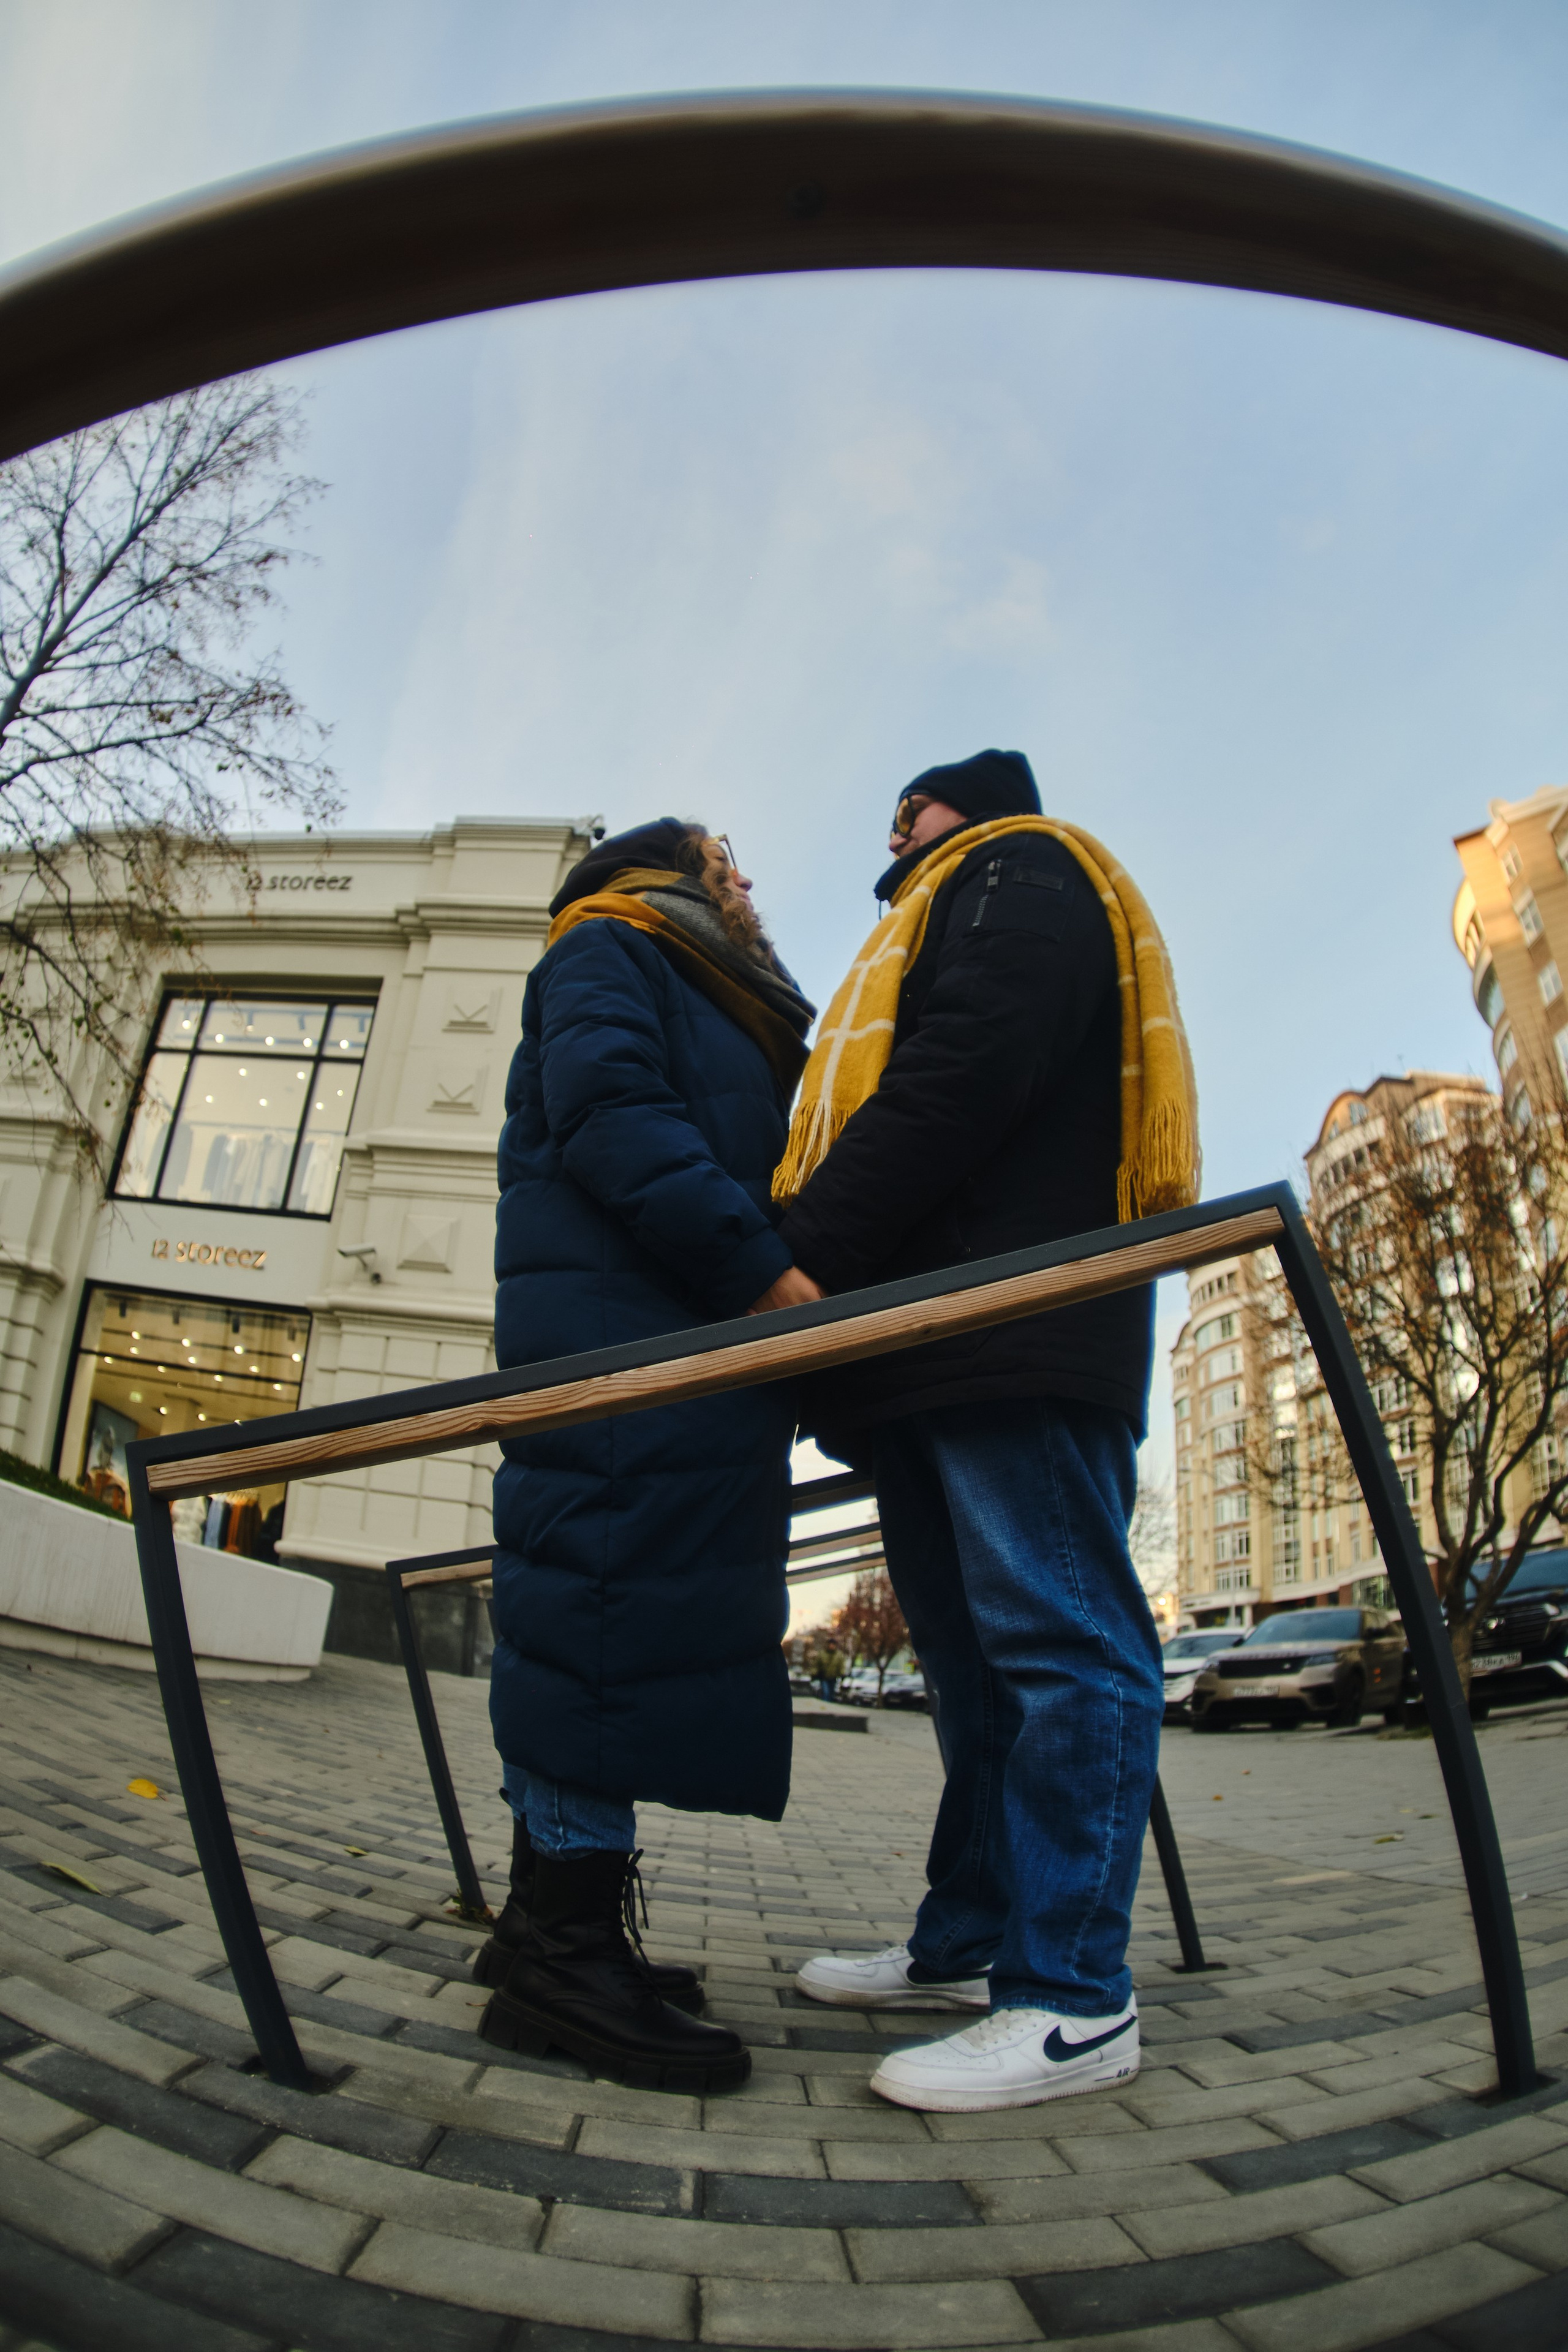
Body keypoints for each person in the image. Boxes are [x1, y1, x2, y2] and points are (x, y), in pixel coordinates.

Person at [774, 748, 1199, 2113]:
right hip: (934, 1340)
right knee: (967, 1670)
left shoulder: (1023, 868)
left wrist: (806, 1247)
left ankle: (1074, 1996)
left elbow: (970, 1064)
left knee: (1059, 1643)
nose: (896, 831)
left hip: (1013, 1318)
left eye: (914, 808)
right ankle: (968, 1943)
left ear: (973, 806)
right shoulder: (942, 905)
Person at [475, 818, 819, 2092]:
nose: (745, 876)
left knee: (601, 1615)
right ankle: (567, 1960)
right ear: (668, 871)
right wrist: (761, 1274)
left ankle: (541, 1938)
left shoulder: (676, 967)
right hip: (627, 1343)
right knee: (600, 1625)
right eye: (723, 857)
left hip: (651, 1337)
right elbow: (611, 1114)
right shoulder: (610, 943)